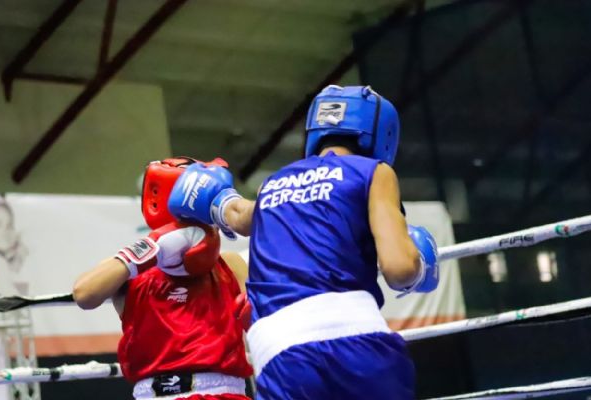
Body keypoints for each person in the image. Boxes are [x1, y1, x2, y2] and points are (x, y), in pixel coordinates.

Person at [168, 85, 440, 399]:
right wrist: (418, 263)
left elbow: (240, 216)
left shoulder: (272, 185)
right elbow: (399, 268)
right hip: (353, 337)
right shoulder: (373, 173)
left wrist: (219, 201)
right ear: (382, 134)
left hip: (279, 351)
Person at [72, 157, 253, 400]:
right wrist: (147, 250)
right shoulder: (131, 272)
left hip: (221, 390)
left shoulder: (230, 264)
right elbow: (84, 294)